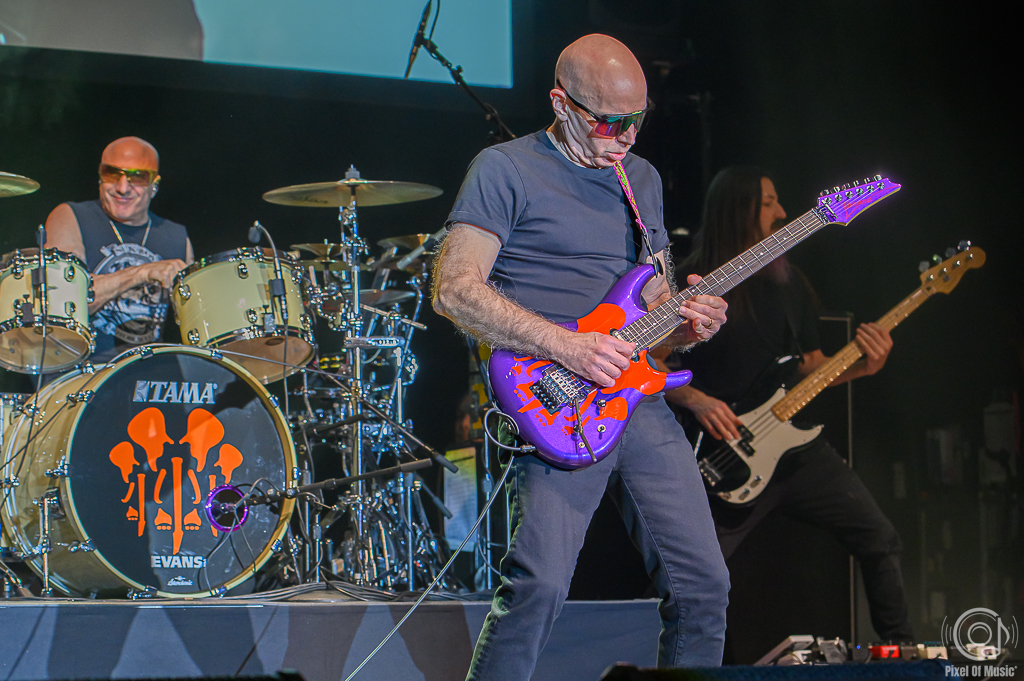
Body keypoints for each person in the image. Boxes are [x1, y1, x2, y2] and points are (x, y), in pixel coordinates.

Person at [432, 34, 731, 680]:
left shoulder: (639, 179)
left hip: (635, 396)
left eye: (637, 120)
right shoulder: (504, 169)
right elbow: (454, 291)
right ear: (560, 103)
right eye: (609, 121)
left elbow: (653, 302)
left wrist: (688, 323)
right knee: (537, 587)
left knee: (704, 587)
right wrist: (567, 344)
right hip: (553, 396)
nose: (625, 137)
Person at [665, 165, 914, 641]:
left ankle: (903, 658)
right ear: (737, 210)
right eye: (768, 202)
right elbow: (647, 366)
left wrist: (864, 366)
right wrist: (696, 399)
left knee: (880, 538)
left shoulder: (787, 281)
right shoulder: (688, 281)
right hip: (722, 458)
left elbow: (810, 365)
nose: (781, 212)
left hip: (793, 451)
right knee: (695, 580)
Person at [45, 136, 193, 363]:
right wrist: (142, 273)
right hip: (83, 369)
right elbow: (65, 302)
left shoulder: (177, 236)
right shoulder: (71, 216)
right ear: (100, 176)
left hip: (151, 372)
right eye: (112, 174)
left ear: (154, 185)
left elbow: (197, 323)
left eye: (138, 177)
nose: (122, 188)